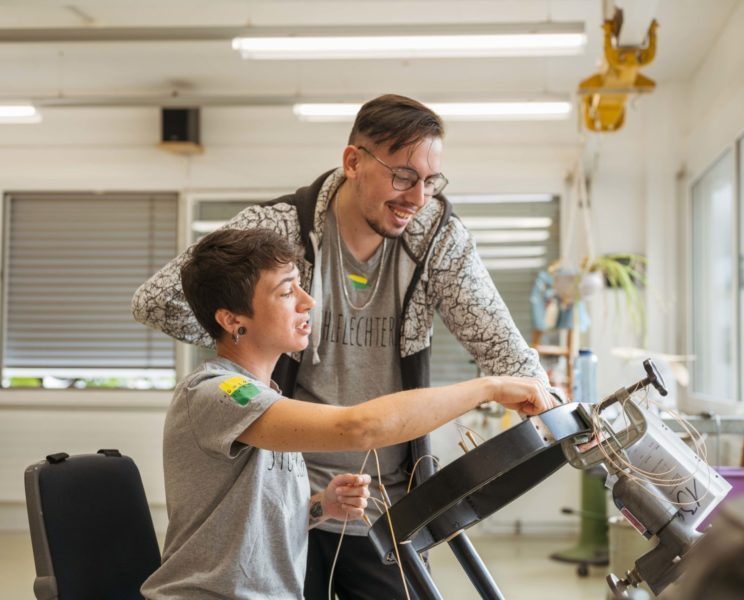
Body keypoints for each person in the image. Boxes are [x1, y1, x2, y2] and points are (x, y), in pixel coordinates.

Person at [132, 93, 554, 598]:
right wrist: (248, 335)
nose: (418, 197)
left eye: (430, 181)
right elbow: (155, 302)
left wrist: (557, 413)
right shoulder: (277, 233)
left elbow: (504, 346)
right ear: (353, 161)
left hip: (367, 502)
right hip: (286, 493)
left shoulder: (438, 238)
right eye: (402, 176)